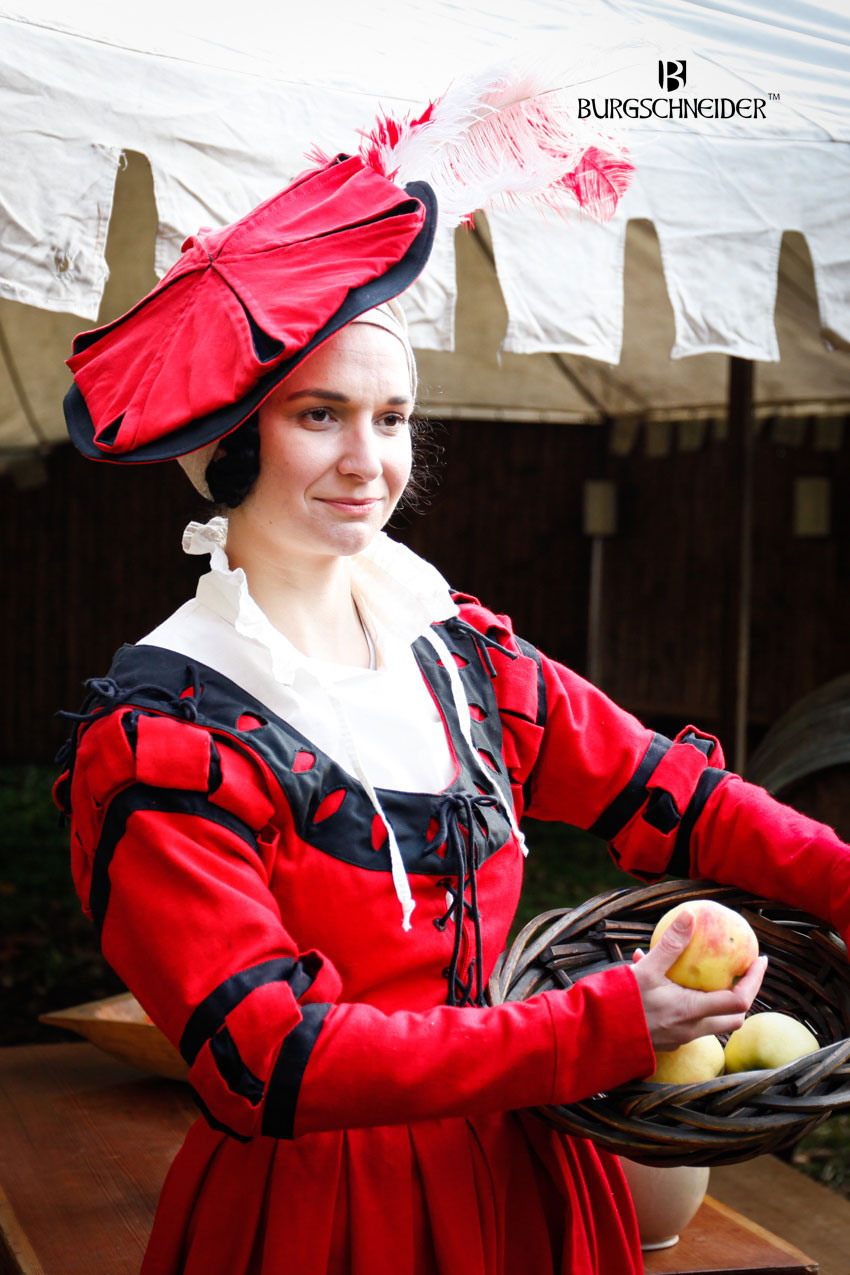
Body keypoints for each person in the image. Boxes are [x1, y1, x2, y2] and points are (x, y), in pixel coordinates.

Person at [55, 146, 850, 1275]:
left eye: (392, 418)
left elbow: (672, 796)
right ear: (231, 442)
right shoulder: (169, 736)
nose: (367, 461)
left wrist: (839, 883)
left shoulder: (457, 651)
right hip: (329, 1217)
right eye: (319, 415)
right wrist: (608, 1025)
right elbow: (270, 1058)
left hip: (533, 1180)